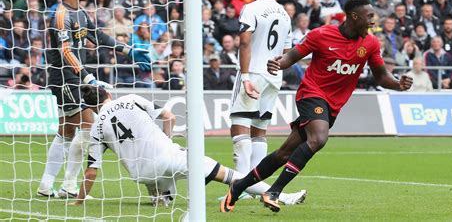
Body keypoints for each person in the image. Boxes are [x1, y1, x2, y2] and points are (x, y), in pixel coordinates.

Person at [221, 0, 413, 213]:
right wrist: (279, 63)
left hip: (333, 105)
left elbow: (381, 76)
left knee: (284, 153)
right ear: (354, 16)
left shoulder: (370, 43)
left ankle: (239, 186)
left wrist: (399, 84)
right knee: (318, 138)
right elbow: (293, 54)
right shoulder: (322, 34)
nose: (373, 21)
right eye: (369, 16)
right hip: (311, 94)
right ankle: (274, 191)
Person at [67, 85, 307, 206]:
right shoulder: (130, 99)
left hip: (141, 175)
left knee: (156, 173)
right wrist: (166, 138)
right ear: (108, 94)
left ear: (92, 107)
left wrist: (79, 201)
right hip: (168, 157)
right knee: (230, 176)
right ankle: (282, 196)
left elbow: (91, 171)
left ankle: (162, 196)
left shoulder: (96, 127)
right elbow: (169, 117)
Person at [37, 0, 151, 198]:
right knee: (91, 126)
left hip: (74, 78)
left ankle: (46, 186)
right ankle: (69, 186)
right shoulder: (61, 15)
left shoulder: (80, 13)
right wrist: (88, 77)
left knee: (66, 132)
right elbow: (65, 51)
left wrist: (128, 50)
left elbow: (98, 36)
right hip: (65, 78)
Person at [229, 0, 292, 182]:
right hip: (274, 76)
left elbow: (245, 42)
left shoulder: (251, 8)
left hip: (253, 72)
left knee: (240, 124)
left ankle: (240, 185)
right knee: (260, 130)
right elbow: (286, 50)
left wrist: (245, 77)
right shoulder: (284, 13)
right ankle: (256, 184)